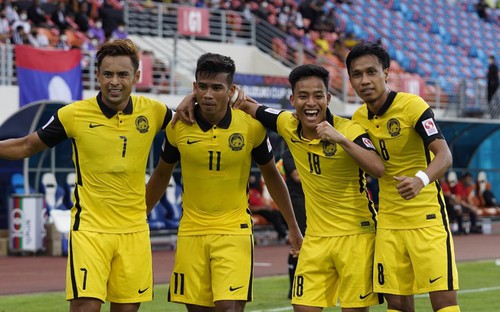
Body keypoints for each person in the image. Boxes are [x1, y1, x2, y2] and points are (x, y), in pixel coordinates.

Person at [0, 39, 173, 312]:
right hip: (90, 229)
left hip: (134, 231)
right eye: (108, 74)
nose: (114, 81)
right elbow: (27, 145)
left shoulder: (154, 112)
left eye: (122, 74)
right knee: (86, 307)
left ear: (136, 77)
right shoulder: (73, 115)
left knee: (127, 309)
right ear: (97, 76)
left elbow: (193, 126)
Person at [146, 53, 303, 312]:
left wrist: (293, 226)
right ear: (194, 88)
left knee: (228, 307)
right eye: (203, 87)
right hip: (191, 232)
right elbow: (161, 174)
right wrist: (140, 216)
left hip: (234, 230)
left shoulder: (251, 126)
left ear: (231, 90)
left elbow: (272, 176)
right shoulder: (179, 125)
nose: (208, 94)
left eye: (217, 88)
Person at [231, 64, 385, 311]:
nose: (310, 103)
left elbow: (378, 168)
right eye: (303, 96)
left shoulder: (350, 130)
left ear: (328, 98)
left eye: (318, 96)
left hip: (356, 237)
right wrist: (192, 99)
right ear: (293, 99)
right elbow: (247, 105)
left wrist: (340, 140)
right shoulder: (287, 124)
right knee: (302, 307)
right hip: (314, 239)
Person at [348, 42, 460, 312]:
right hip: (388, 222)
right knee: (396, 303)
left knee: (443, 303)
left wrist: (420, 180)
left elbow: (444, 155)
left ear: (386, 73)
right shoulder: (358, 118)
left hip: (427, 219)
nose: (365, 81)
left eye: (371, 72)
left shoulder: (413, 106)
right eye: (357, 74)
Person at [281, 146, 306, 300]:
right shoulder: (289, 154)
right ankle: (293, 287)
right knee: (298, 243)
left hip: (310, 200)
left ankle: (302, 286)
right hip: (296, 201)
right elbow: (296, 176)